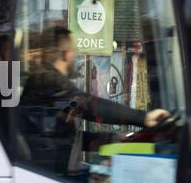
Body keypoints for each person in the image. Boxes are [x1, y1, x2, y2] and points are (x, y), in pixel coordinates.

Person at [18, 26, 170, 175]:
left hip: (55, 172)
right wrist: (143, 117)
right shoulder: (47, 79)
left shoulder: (51, 84)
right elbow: (88, 104)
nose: (75, 56)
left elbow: (61, 134)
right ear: (65, 54)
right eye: (73, 51)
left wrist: (108, 139)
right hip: (50, 177)